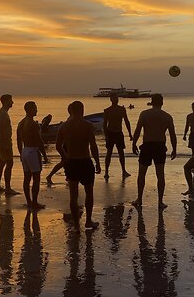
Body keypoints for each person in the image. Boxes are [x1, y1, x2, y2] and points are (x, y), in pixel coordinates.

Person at [55, 101, 101, 229]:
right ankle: (88, 221)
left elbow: (58, 146)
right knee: (89, 192)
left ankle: (76, 224)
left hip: (72, 162)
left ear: (71, 111)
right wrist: (97, 162)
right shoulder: (87, 125)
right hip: (85, 161)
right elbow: (93, 146)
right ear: (82, 110)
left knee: (73, 195)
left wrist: (65, 157)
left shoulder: (64, 126)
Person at [129, 93, 177, 209]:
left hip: (147, 146)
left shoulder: (145, 114)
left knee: (142, 174)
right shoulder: (167, 116)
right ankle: (160, 202)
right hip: (160, 146)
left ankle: (139, 199)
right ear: (162, 102)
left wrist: (134, 143)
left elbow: (138, 130)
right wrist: (174, 149)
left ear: (151, 102)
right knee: (160, 174)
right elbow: (172, 135)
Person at [16, 101, 49, 210]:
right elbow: (39, 141)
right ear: (30, 109)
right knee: (36, 178)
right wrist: (44, 155)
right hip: (33, 151)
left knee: (26, 177)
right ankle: (34, 202)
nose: (36, 110)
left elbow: (18, 140)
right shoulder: (33, 124)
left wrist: (21, 153)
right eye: (35, 108)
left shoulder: (21, 123)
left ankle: (29, 201)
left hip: (25, 151)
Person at [100, 94, 133, 180]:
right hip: (110, 133)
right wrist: (106, 135)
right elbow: (104, 125)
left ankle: (123, 171)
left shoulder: (122, 109)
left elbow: (126, 121)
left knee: (121, 153)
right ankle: (106, 172)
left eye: (117, 98)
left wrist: (130, 133)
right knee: (109, 153)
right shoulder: (107, 110)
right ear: (111, 99)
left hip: (119, 133)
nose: (116, 99)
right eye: (114, 98)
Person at [0, 94, 20, 195]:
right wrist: (4, 144)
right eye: (10, 100)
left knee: (2, 163)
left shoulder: (3, 113)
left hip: (4, 141)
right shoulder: (3, 114)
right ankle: (7, 188)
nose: (12, 102)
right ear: (5, 101)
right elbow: (0, 130)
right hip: (4, 142)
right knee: (9, 163)